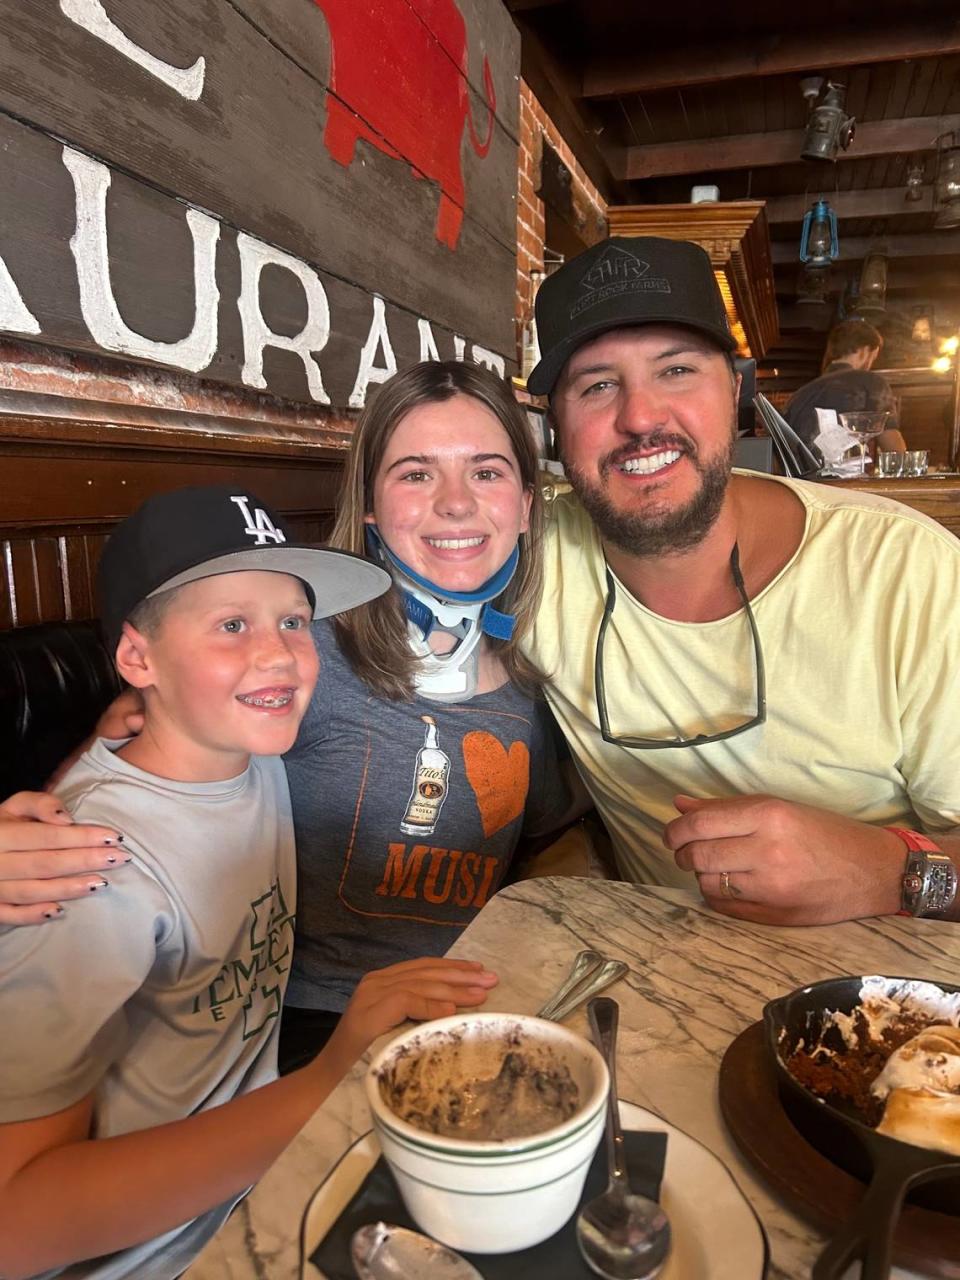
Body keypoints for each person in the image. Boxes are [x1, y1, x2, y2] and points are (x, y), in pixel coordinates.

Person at [0, 361, 570, 1074]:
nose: (455, 502)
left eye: (486, 472)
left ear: (524, 503)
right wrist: (27, 841)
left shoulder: (534, 676)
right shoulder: (295, 658)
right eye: (416, 474)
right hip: (313, 1026)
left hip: (478, 999)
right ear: (369, 507)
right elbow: (130, 773)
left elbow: (548, 836)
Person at [0, 485, 498, 1280]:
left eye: (293, 622)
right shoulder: (87, 871)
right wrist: (331, 1080)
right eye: (233, 624)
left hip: (267, 1184)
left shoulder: (250, 753)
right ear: (137, 657)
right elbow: (15, 1227)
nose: (279, 654)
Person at [520, 235, 960, 927]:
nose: (639, 417)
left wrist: (890, 869)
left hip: (888, 1003)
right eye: (598, 384)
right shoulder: (526, 555)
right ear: (556, 425)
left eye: (676, 371)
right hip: (662, 980)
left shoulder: (906, 572)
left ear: (735, 390)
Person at [783, 318, 907, 456]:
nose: (870, 364)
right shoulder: (871, 381)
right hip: (847, 475)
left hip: (797, 477)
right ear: (864, 351)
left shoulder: (799, 395)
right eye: (873, 358)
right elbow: (892, 445)